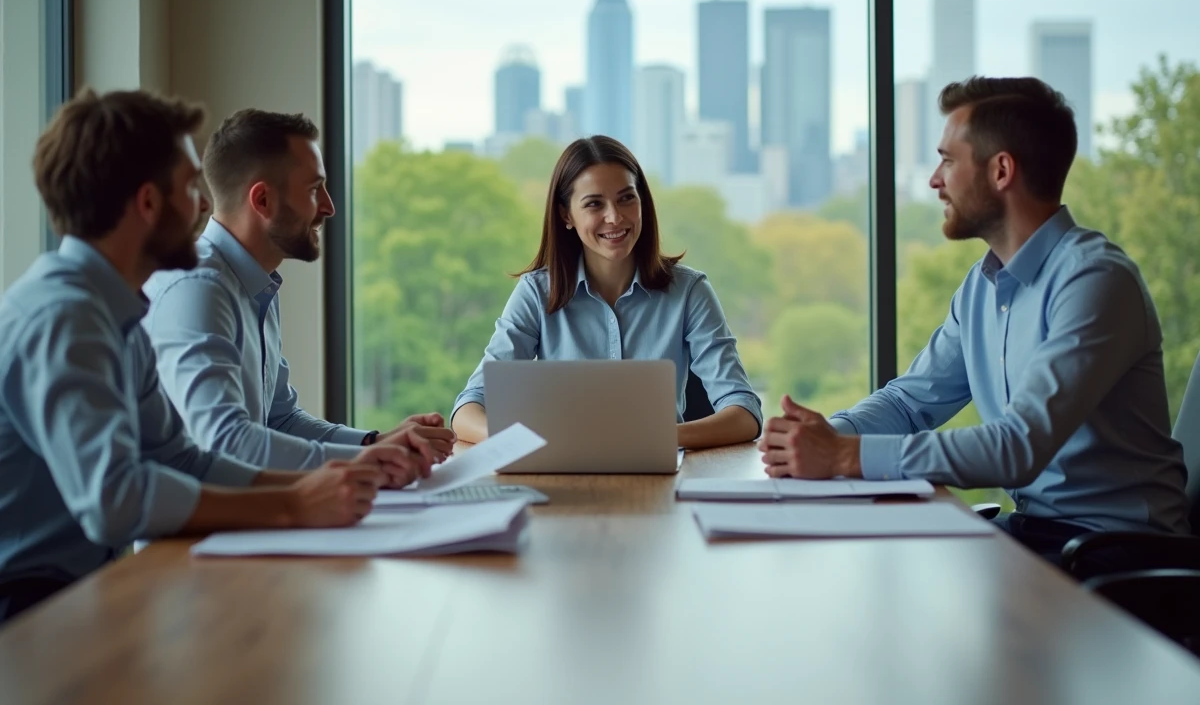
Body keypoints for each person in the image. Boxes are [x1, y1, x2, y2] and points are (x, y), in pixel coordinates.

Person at [0, 89, 406, 624]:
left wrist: (334, 481)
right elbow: (116, 499)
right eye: (192, 188)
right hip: (28, 611)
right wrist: (293, 504)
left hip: (81, 592)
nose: (206, 206)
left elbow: (181, 458)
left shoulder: (115, 310)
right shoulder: (64, 317)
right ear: (148, 203)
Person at [760, 76, 1190, 560]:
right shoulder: (982, 287)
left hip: (1121, 554)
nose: (934, 179)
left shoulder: (1095, 281)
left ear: (1001, 170)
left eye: (947, 160)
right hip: (1038, 535)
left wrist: (844, 457)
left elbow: (1018, 447)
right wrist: (821, 436)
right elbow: (908, 404)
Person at [144, 109, 455, 472]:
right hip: (192, 529)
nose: (329, 206)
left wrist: (375, 442)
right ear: (262, 201)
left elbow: (281, 420)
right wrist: (371, 462)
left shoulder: (255, 285)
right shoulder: (198, 289)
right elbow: (227, 442)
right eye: (313, 190)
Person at [452, 135, 762, 449]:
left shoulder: (688, 291)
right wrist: (528, 443)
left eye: (627, 198)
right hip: (560, 481)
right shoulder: (535, 293)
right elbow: (469, 408)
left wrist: (658, 439)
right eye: (594, 204)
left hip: (660, 481)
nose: (614, 217)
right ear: (566, 215)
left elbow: (744, 412)